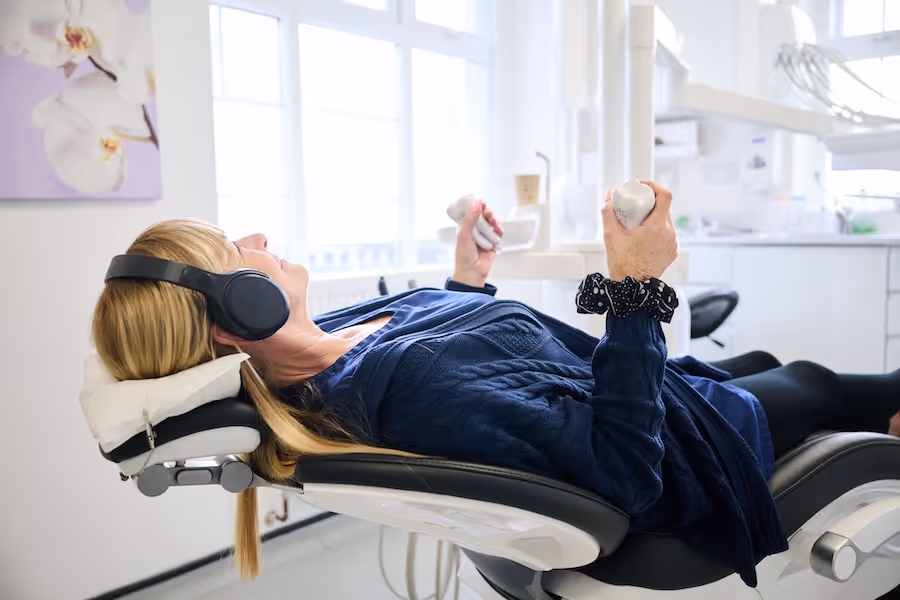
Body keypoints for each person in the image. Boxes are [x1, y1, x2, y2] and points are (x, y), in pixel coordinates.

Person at [91, 182, 900, 586]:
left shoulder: (341, 341)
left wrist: (467, 279)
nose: (260, 237)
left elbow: (484, 377)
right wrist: (633, 288)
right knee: (818, 384)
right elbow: (622, 470)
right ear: (239, 314)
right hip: (687, 449)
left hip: (664, 394)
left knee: (761, 367)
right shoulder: (401, 385)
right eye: (238, 249)